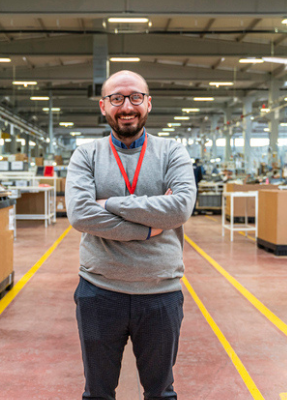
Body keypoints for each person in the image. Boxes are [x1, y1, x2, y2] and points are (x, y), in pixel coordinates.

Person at [66, 70, 196, 400]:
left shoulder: (172, 152)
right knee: (97, 392)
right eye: (117, 99)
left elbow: (180, 208)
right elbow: (80, 214)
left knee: (160, 392)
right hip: (99, 292)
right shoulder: (87, 154)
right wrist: (151, 226)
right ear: (103, 106)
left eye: (135, 97)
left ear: (148, 103)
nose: (127, 106)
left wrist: (109, 204)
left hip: (160, 291)